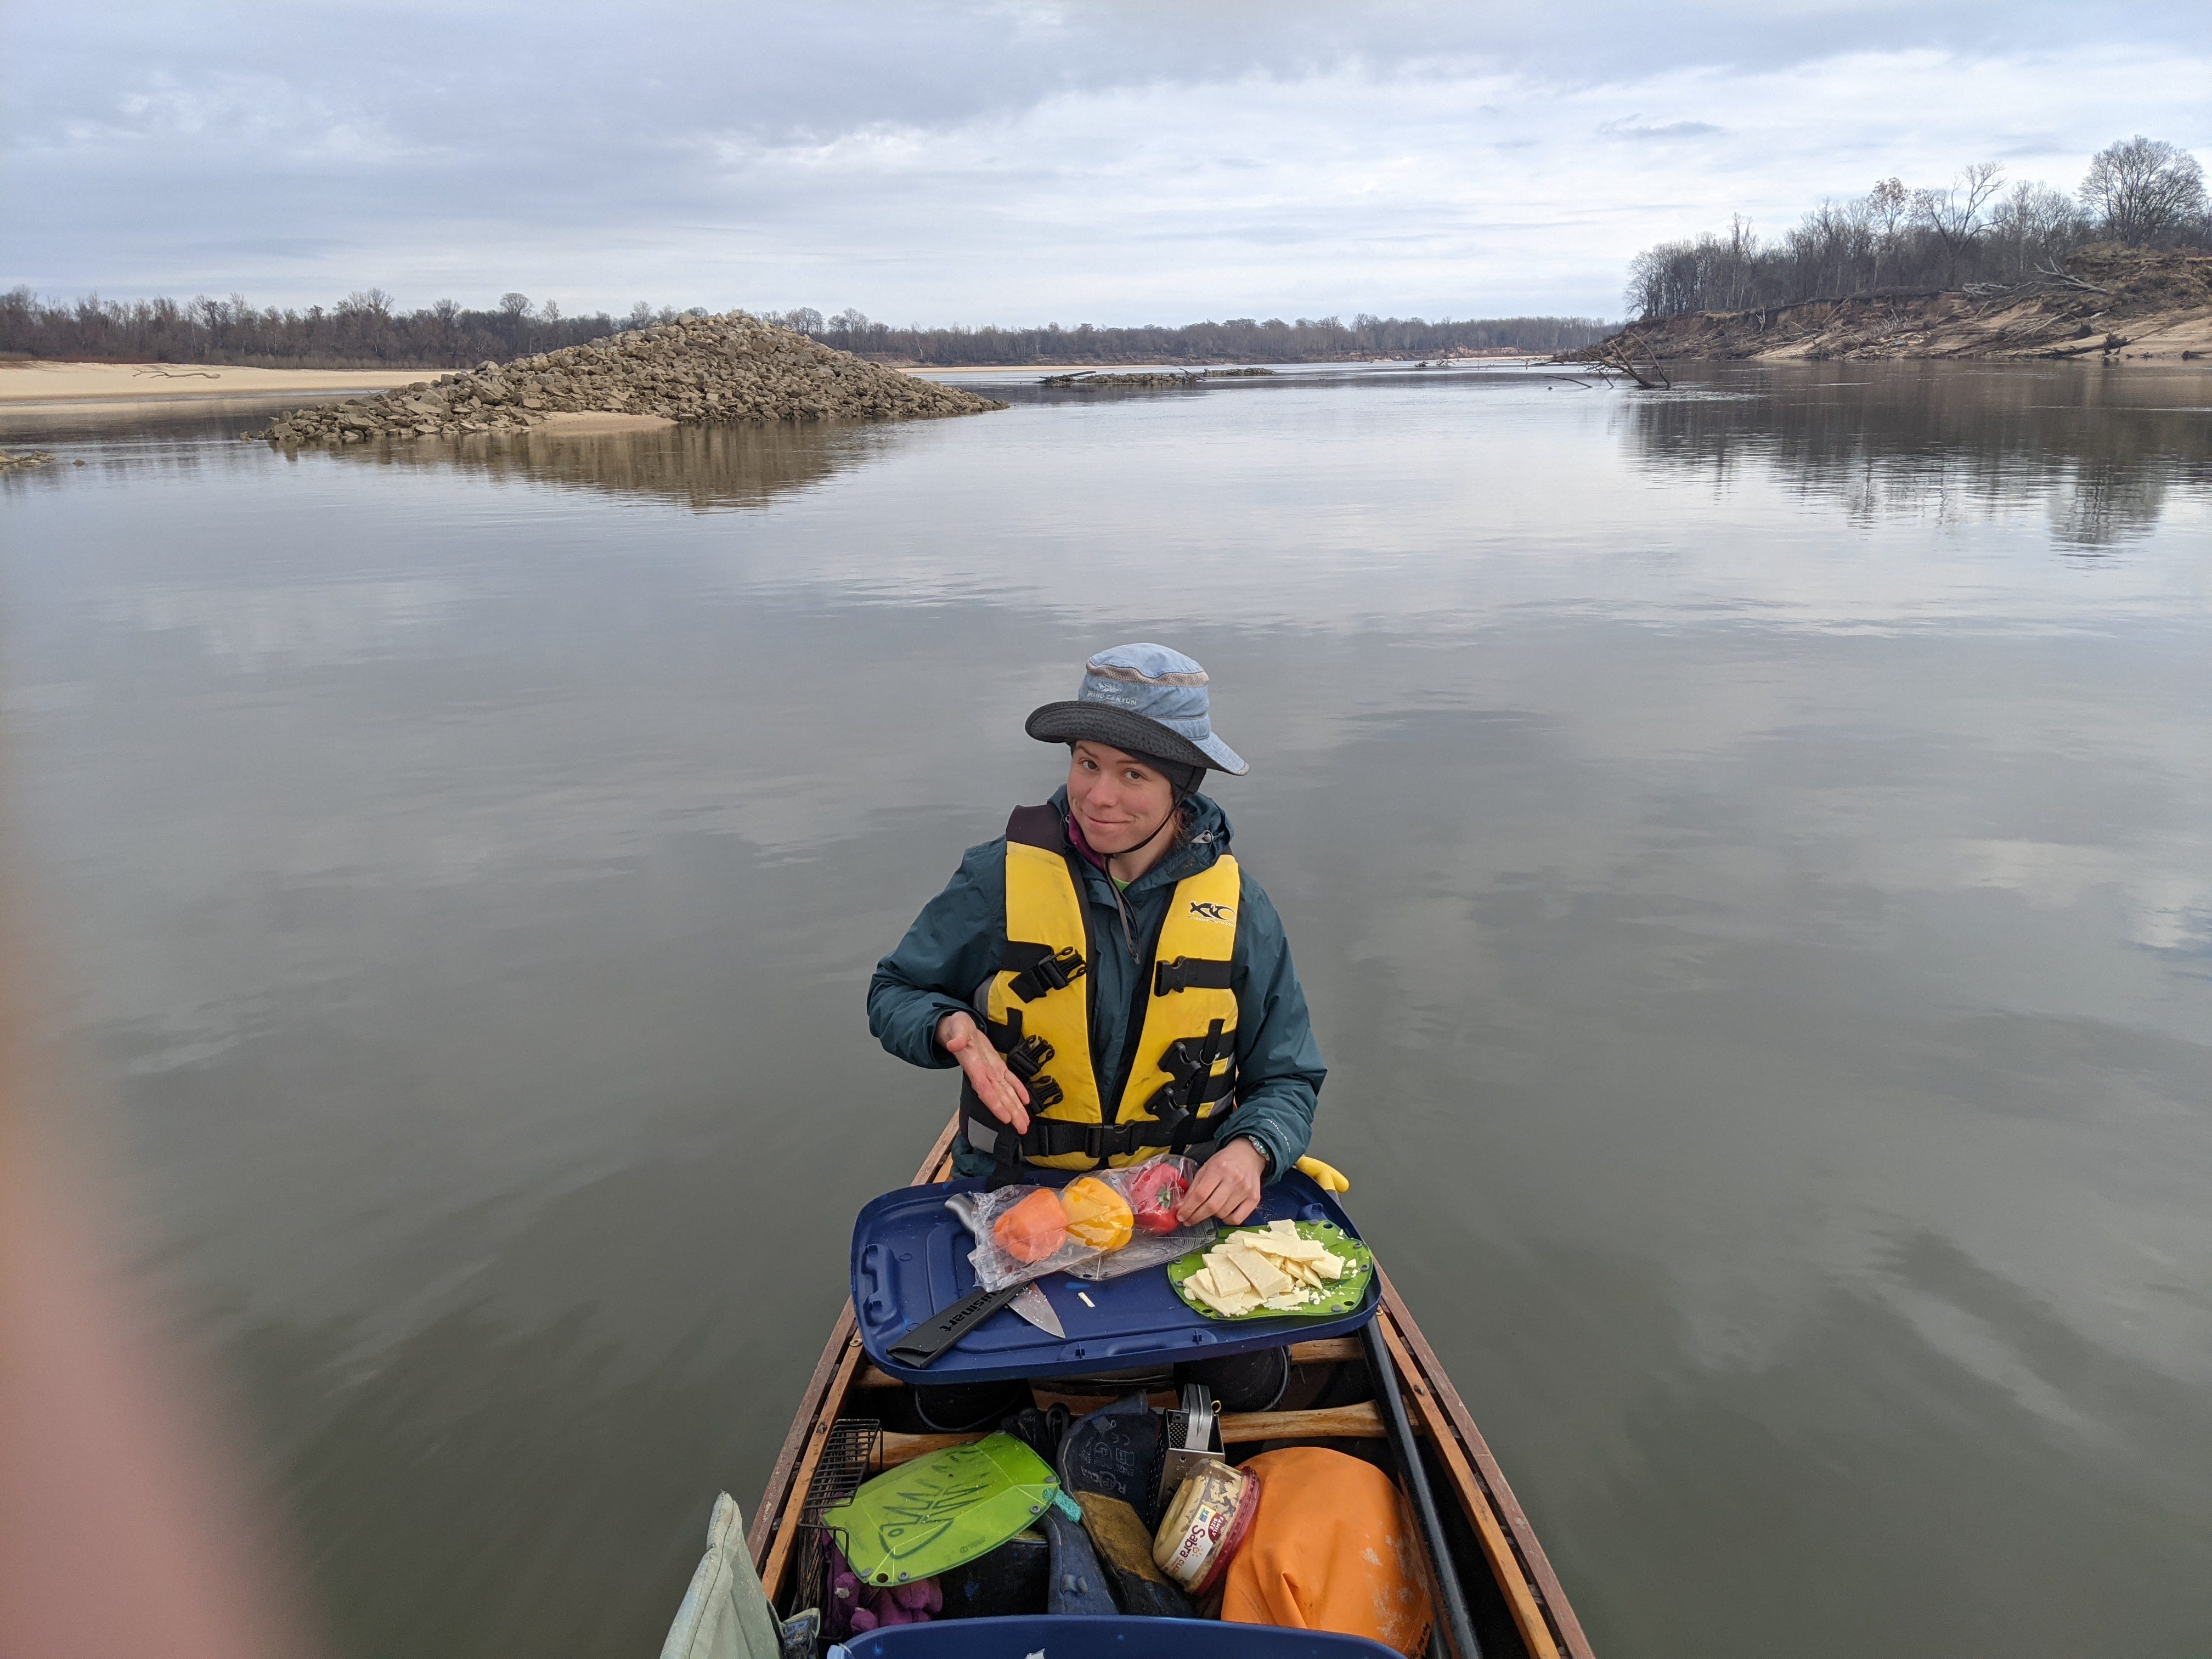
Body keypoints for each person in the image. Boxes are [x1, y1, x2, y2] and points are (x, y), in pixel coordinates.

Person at [868, 644, 1323, 1226]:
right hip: (1015, 1198)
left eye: (1132, 774)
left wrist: (1253, 1148)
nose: (1099, 797)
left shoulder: (1240, 909)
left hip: (1171, 1204)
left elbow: (1287, 1075)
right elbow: (893, 992)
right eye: (1088, 764)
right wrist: (946, 1024)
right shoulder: (997, 878)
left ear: (1179, 788)